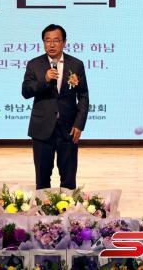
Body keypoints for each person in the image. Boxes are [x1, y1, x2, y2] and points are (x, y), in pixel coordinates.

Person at [22, 24, 89, 190]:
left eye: (56, 40)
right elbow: (26, 92)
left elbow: (83, 95)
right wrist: (44, 80)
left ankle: (69, 207)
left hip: (68, 129)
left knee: (69, 179)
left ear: (64, 42)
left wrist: (79, 124)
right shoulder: (34, 64)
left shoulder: (76, 64)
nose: (51, 45)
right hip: (42, 129)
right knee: (42, 180)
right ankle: (42, 208)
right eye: (47, 41)